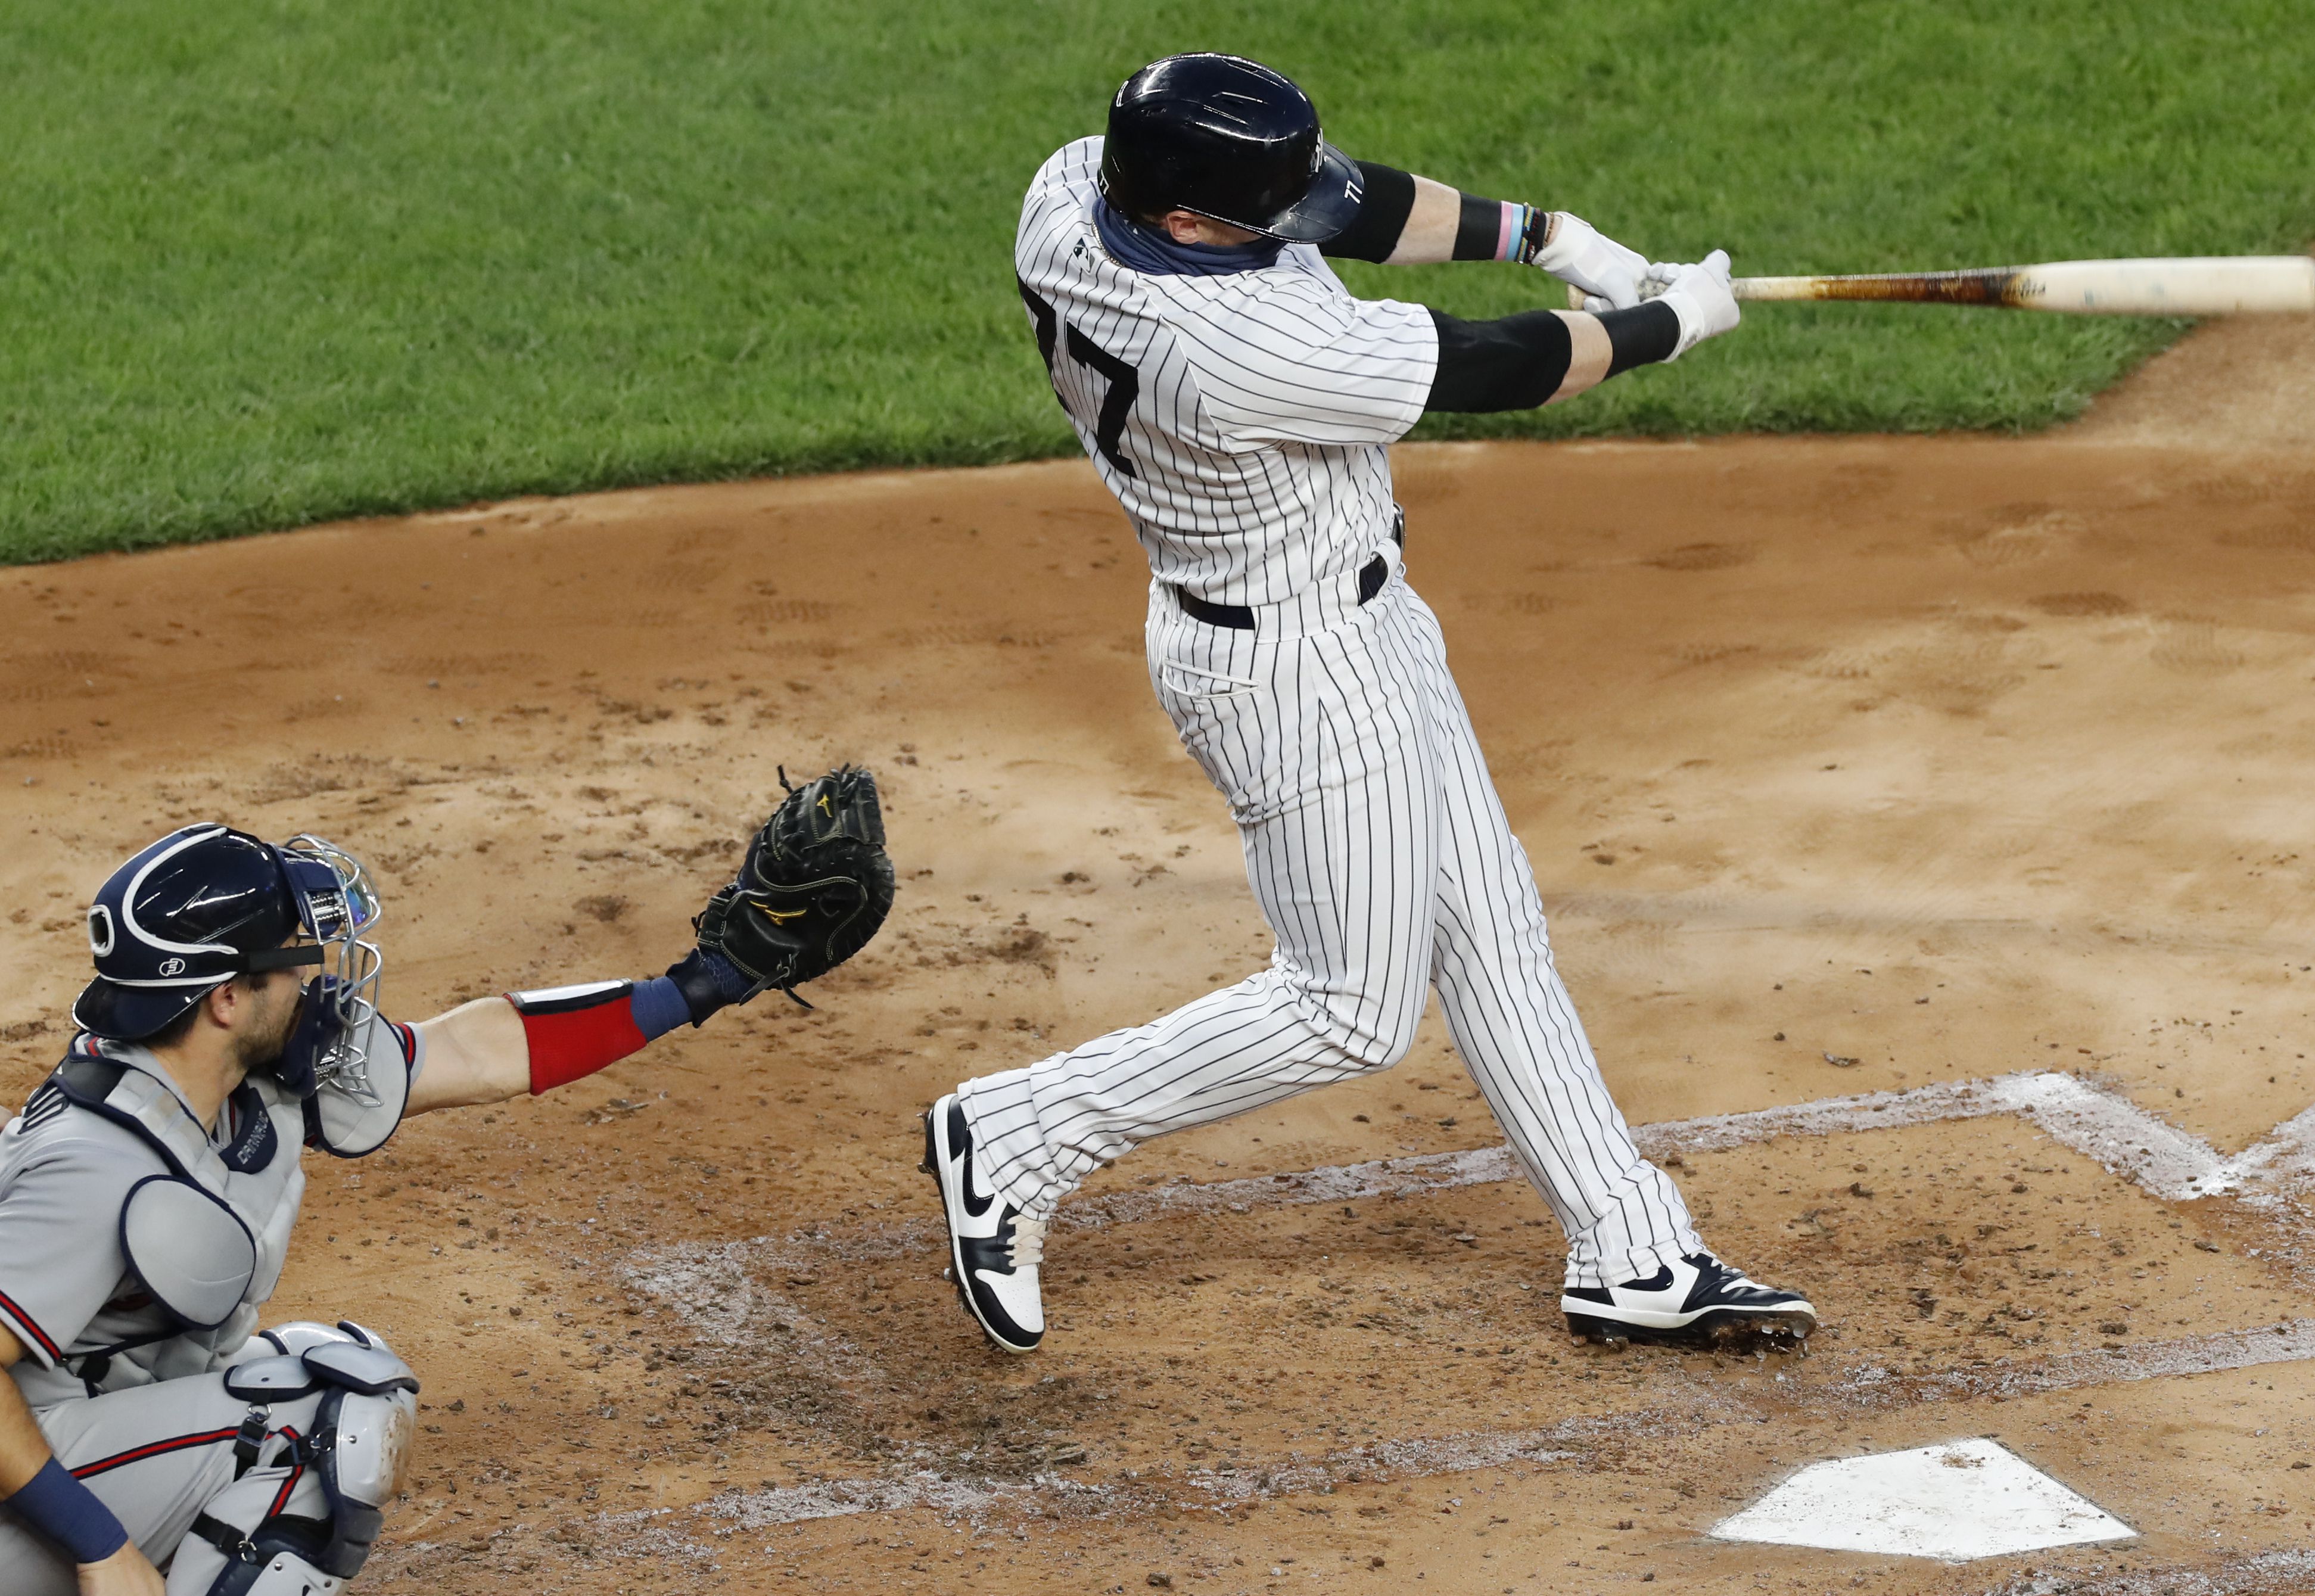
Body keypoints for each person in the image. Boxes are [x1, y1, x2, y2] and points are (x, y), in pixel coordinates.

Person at [922, 52, 1813, 1357]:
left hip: (1359, 622)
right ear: (1184, 222)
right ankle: (1016, 1130)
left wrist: (1552, 237)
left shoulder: (1074, 188)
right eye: (1264, 219)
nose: (1298, 225)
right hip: (1290, 675)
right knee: (1347, 1008)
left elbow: (1358, 204)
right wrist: (1666, 324)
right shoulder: (1240, 349)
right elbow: (1500, 368)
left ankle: (1630, 1247)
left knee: (1492, 927)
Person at [2, 770, 889, 1594]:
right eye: (294, 959)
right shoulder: (98, 1160)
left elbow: (472, 1050)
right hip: (25, 1498)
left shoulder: (237, 1078)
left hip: (74, 1439)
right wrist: (102, 1549)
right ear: (225, 1000)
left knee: (304, 1365)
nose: (318, 972)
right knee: (325, 1415)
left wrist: (705, 982)